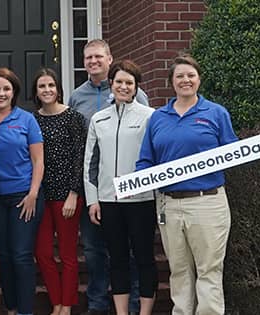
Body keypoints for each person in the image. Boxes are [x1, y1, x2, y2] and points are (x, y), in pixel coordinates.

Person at [136, 54, 238, 315]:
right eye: (180, 76)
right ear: (171, 82)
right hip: (169, 205)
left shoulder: (216, 113)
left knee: (209, 271)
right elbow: (146, 159)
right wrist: (136, 181)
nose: (186, 80)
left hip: (207, 202)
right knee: (179, 271)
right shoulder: (158, 118)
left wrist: (257, 148)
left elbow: (234, 152)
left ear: (199, 80)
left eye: (191, 75)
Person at [68, 38, 146, 314]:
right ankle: (98, 303)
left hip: (132, 192)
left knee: (130, 252)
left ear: (109, 59)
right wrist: (81, 191)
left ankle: (133, 304)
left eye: (98, 57)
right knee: (93, 251)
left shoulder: (137, 95)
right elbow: (80, 147)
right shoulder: (77, 97)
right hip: (94, 187)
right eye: (88, 58)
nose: (93, 62)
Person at [85, 60, 158, 315]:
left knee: (145, 259)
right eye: (119, 82)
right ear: (111, 84)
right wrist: (93, 200)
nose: (124, 87)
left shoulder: (150, 117)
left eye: (129, 83)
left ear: (137, 87)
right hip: (109, 202)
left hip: (142, 201)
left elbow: (157, 158)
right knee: (116, 260)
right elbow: (90, 164)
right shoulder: (98, 119)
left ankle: (145, 312)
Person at [0, 68, 44, 315]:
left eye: (6, 89)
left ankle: (26, 311)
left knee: (21, 255)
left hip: (23, 197)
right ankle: (12, 308)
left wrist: (33, 194)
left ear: (14, 92)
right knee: (4, 256)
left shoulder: (26, 119)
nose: (1, 93)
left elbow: (38, 160)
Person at [32, 68, 86, 315]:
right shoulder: (33, 120)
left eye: (51, 85)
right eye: (42, 86)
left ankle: (66, 306)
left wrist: (74, 194)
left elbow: (80, 157)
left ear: (58, 89)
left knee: (67, 254)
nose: (47, 90)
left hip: (67, 196)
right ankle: (56, 301)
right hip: (41, 195)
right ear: (36, 91)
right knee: (43, 253)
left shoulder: (73, 117)